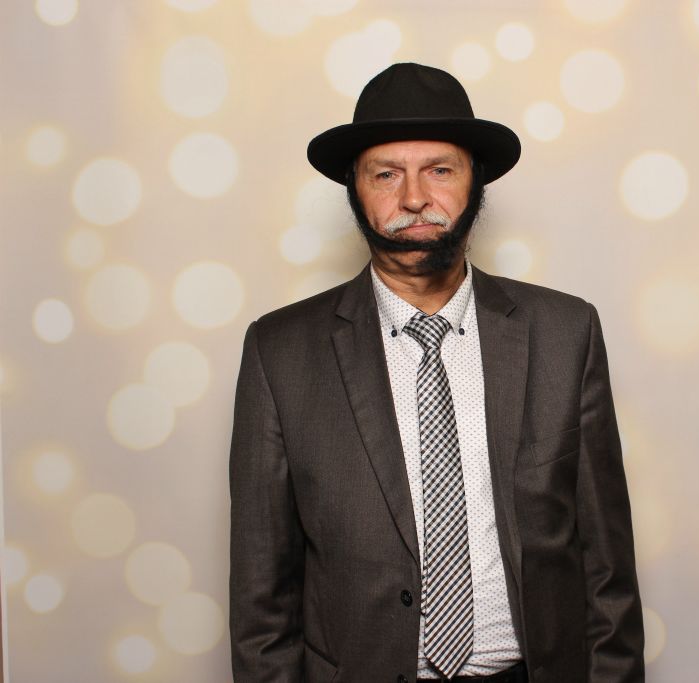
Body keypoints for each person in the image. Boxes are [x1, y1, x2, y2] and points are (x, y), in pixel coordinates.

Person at [228, 62, 643, 683]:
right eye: (386, 174)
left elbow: (608, 573)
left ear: (477, 182)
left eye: (440, 170)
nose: (415, 197)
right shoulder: (280, 353)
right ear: (354, 190)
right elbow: (262, 601)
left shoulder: (565, 334)